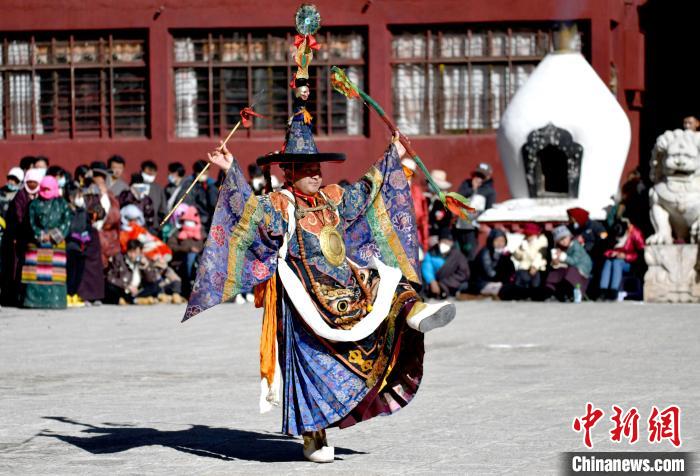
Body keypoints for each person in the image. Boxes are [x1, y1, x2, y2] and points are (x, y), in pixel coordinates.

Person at [184, 27, 456, 463]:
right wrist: (230, 169)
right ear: (288, 172)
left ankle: (416, 312)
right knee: (312, 367)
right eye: (306, 168)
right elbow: (249, 215)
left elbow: (367, 193)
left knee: (389, 279)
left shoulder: (331, 198)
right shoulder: (280, 203)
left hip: (347, 286)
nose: (315, 173)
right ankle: (314, 433)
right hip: (306, 298)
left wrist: (395, 159)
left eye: (317, 166)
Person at [21, 176, 72, 309]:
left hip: (56, 244)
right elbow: (30, 223)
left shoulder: (62, 204)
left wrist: (53, 235)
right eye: (43, 188)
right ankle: (33, 302)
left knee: (55, 275)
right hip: (37, 244)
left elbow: (66, 222)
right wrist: (41, 235)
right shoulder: (34, 204)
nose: (45, 191)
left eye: (48, 188)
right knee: (35, 274)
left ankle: (56, 302)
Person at [0, 167, 45, 306]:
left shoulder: (41, 195)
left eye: (34, 182)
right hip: (17, 238)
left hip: (32, 237)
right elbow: (19, 218)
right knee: (13, 268)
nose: (31, 185)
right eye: (29, 182)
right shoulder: (20, 196)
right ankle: (12, 297)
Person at [455, 163, 497, 260]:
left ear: (488, 177)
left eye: (482, 176)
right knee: (457, 252)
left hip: (473, 227)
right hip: (459, 225)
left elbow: (488, 210)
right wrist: (472, 189)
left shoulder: (490, 191)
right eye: (477, 175)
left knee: (470, 254)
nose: (479, 178)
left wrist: (483, 224)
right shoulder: (466, 184)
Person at [599, 218, 645, 301]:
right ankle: (603, 291)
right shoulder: (614, 230)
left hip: (631, 263)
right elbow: (606, 249)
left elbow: (641, 254)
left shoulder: (636, 233)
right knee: (608, 261)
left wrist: (625, 256)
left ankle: (614, 291)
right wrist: (612, 254)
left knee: (617, 262)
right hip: (616, 259)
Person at [544, 225, 593, 301]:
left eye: (564, 238)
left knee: (570, 272)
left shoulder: (576, 246)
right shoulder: (561, 248)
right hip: (569, 266)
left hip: (582, 268)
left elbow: (574, 261)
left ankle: (571, 293)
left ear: (569, 236)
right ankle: (552, 292)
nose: (563, 241)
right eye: (560, 240)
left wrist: (563, 257)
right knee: (556, 272)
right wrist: (556, 262)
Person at [105, 239, 161, 305]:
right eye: (130, 252)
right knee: (110, 288)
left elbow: (151, 279)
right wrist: (126, 286)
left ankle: (134, 300)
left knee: (155, 286)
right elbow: (110, 278)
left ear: (140, 252)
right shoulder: (119, 258)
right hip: (124, 289)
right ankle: (134, 300)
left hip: (138, 290)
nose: (133, 255)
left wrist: (146, 267)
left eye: (135, 253)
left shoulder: (144, 260)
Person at [87, 161, 121, 268]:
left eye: (102, 176)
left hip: (109, 240)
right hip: (91, 240)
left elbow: (115, 217)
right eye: (97, 176)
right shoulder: (87, 195)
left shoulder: (110, 196)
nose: (100, 180)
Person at [166, 205, 204, 298]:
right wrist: (187, 249)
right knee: (190, 256)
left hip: (197, 260)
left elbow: (205, 245)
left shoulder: (200, 234)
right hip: (181, 261)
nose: (189, 224)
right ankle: (189, 286)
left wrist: (198, 250)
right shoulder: (177, 233)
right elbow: (171, 246)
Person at [469, 228, 517, 299]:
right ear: (491, 241)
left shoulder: (502, 253)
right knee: (508, 290)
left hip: (496, 282)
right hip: (483, 284)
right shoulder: (485, 253)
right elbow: (491, 274)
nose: (500, 244)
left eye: (502, 241)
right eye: (497, 241)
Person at [421, 229, 470, 298]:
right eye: (443, 241)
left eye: (448, 242)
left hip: (449, 283)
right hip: (433, 282)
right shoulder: (431, 253)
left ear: (452, 243)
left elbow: (463, 273)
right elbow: (427, 268)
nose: (445, 244)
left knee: (465, 285)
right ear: (439, 242)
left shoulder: (457, 255)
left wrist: (443, 284)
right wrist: (432, 281)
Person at [65, 186, 91, 307]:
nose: (81, 199)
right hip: (70, 246)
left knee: (79, 272)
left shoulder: (83, 212)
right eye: (79, 197)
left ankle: (74, 294)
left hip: (82, 246)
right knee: (70, 272)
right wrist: (74, 235)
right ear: (71, 198)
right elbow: (66, 227)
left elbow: (87, 226)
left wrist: (86, 237)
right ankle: (68, 295)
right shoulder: (66, 210)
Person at [511, 223, 548, 290]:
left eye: (530, 234)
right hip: (524, 267)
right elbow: (518, 257)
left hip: (537, 268)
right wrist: (519, 250)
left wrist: (534, 266)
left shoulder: (541, 242)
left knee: (535, 284)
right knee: (520, 280)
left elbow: (539, 256)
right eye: (526, 234)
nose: (528, 236)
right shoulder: (524, 242)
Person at [189, 159, 218, 232]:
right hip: (195, 219)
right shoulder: (189, 185)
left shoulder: (212, 184)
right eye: (201, 173)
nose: (204, 176)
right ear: (196, 173)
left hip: (209, 219)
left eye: (206, 173)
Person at [141, 160, 167, 225]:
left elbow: (163, 208)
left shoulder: (159, 189)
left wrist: (159, 221)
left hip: (154, 224)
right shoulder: (136, 185)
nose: (150, 173)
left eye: (152, 171)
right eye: (147, 171)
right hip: (139, 223)